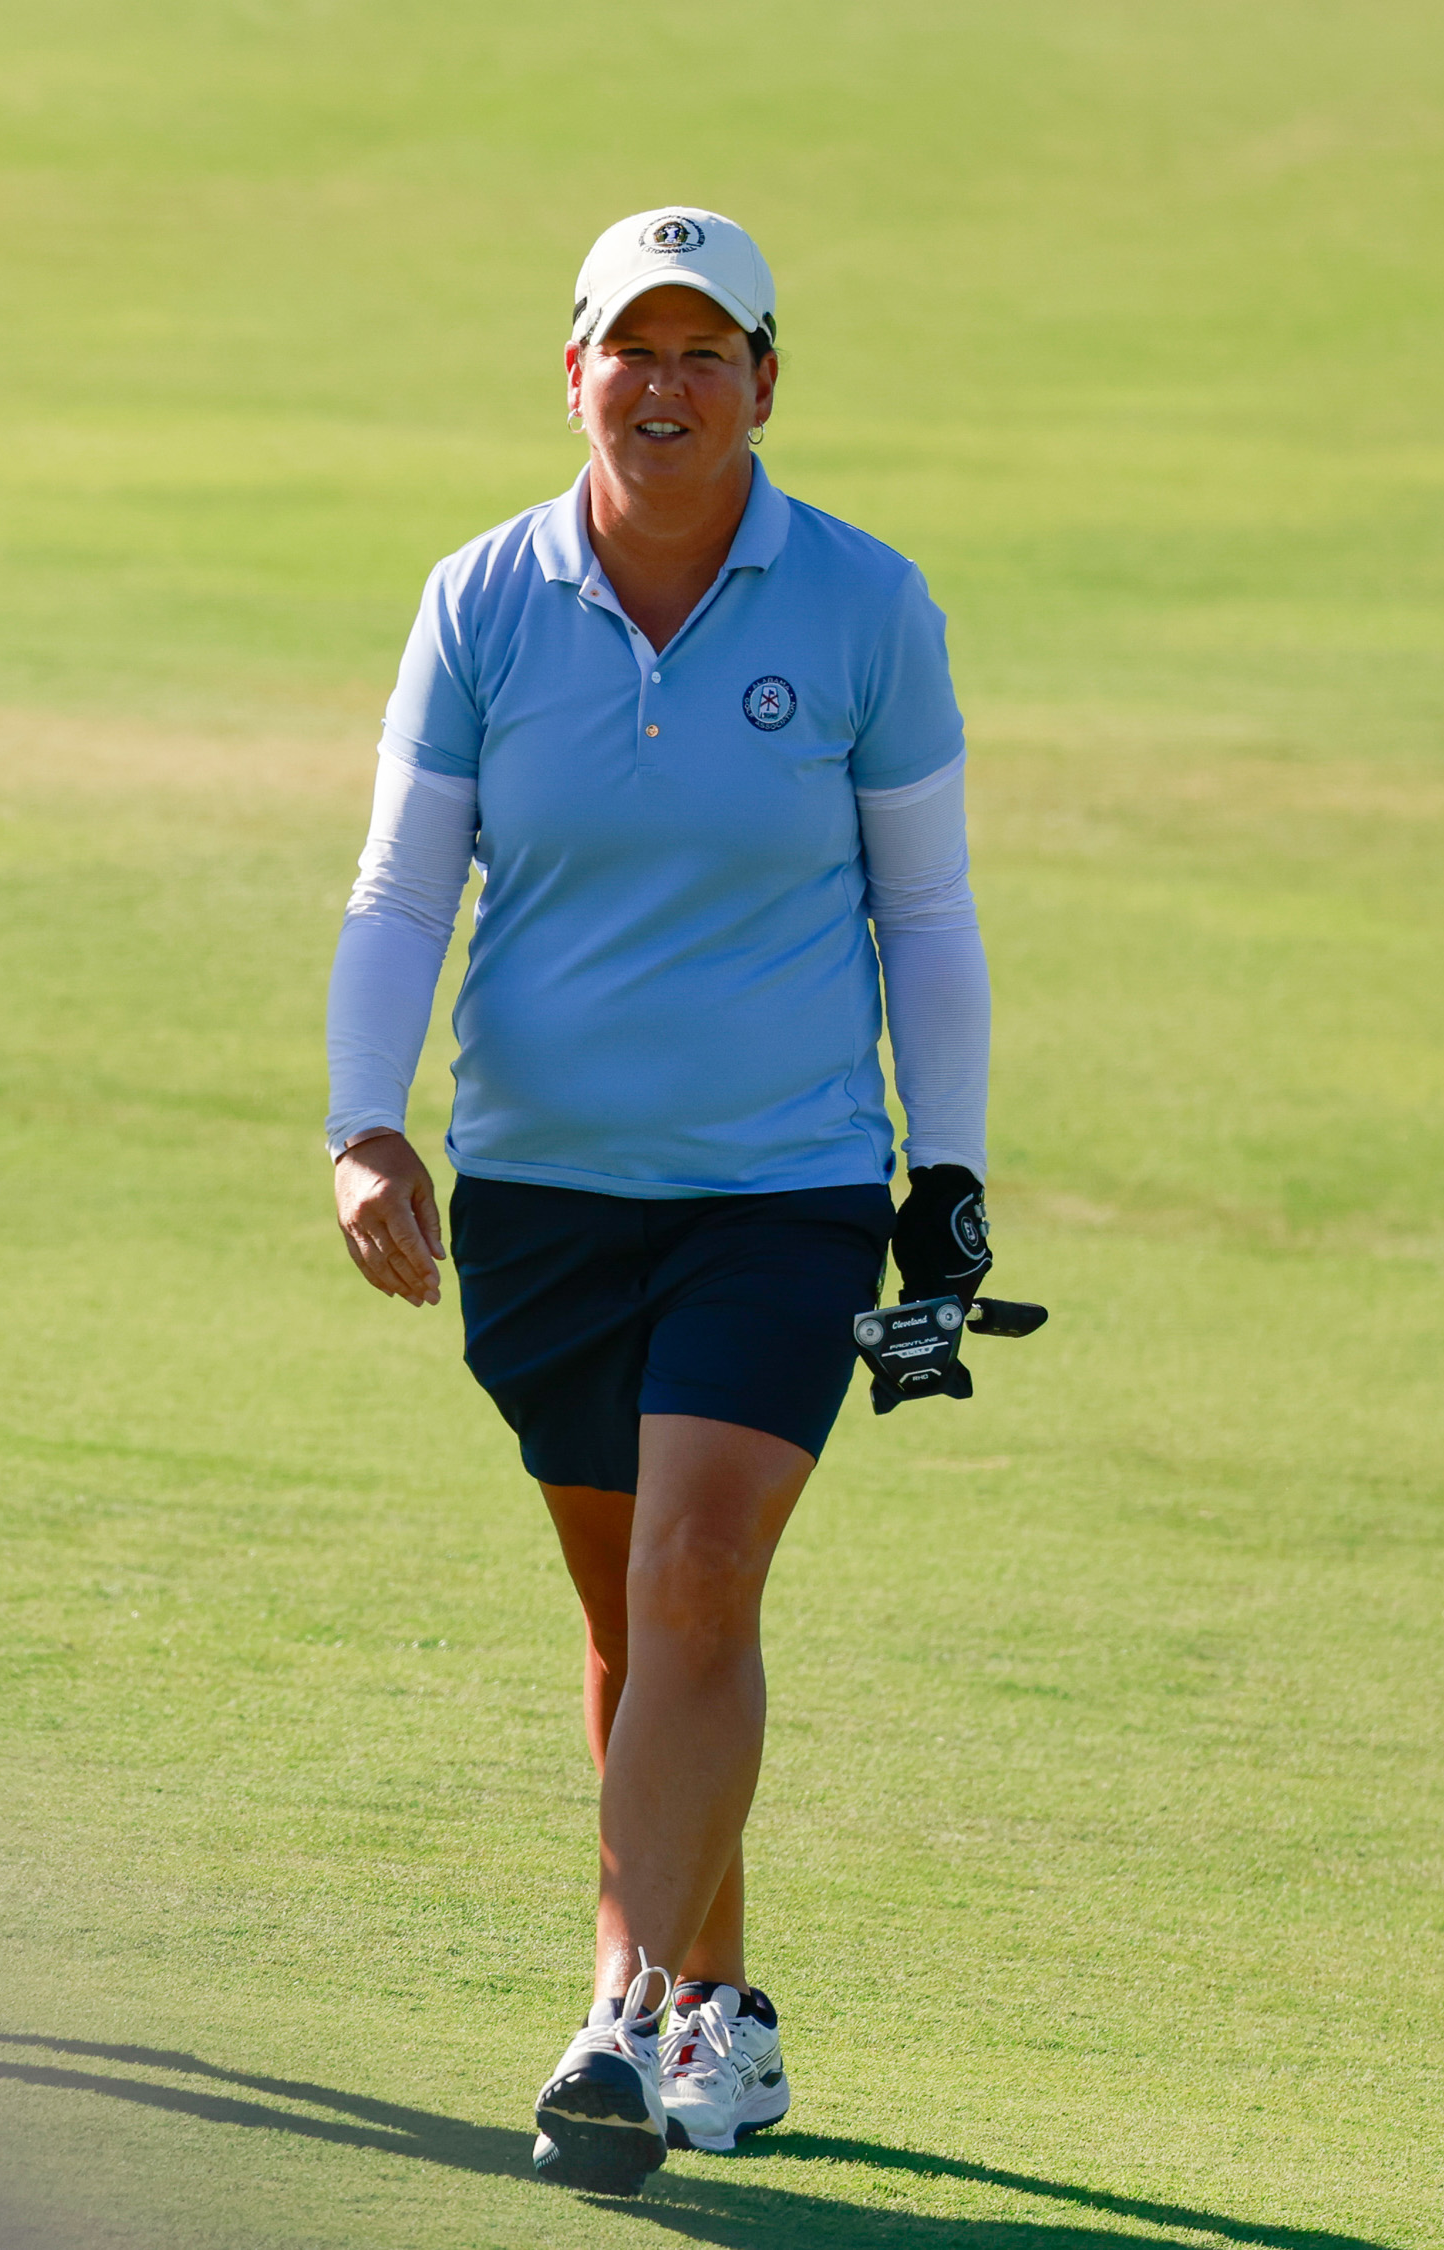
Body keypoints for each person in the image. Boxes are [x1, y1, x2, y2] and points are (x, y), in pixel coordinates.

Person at [323, 207, 999, 2195]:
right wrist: (366, 1121)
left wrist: (940, 1178)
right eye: (633, 346)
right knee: (634, 1626)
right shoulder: (480, 598)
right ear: (571, 374)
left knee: (699, 1578)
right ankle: (726, 2005)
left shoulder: (861, 605)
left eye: (709, 351)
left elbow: (924, 910)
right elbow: (396, 892)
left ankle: (613, 2024)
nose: (667, 381)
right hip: (537, 1189)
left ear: (766, 384)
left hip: (779, 1186)